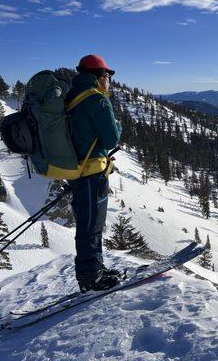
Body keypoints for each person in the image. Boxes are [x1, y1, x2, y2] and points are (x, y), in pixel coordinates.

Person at [65, 54, 121, 293]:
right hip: (92, 174)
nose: (108, 80)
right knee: (91, 225)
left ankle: (94, 269)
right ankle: (90, 278)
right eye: (107, 76)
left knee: (88, 222)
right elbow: (111, 138)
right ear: (99, 77)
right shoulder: (97, 100)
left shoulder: (71, 97)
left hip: (76, 170)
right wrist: (118, 125)